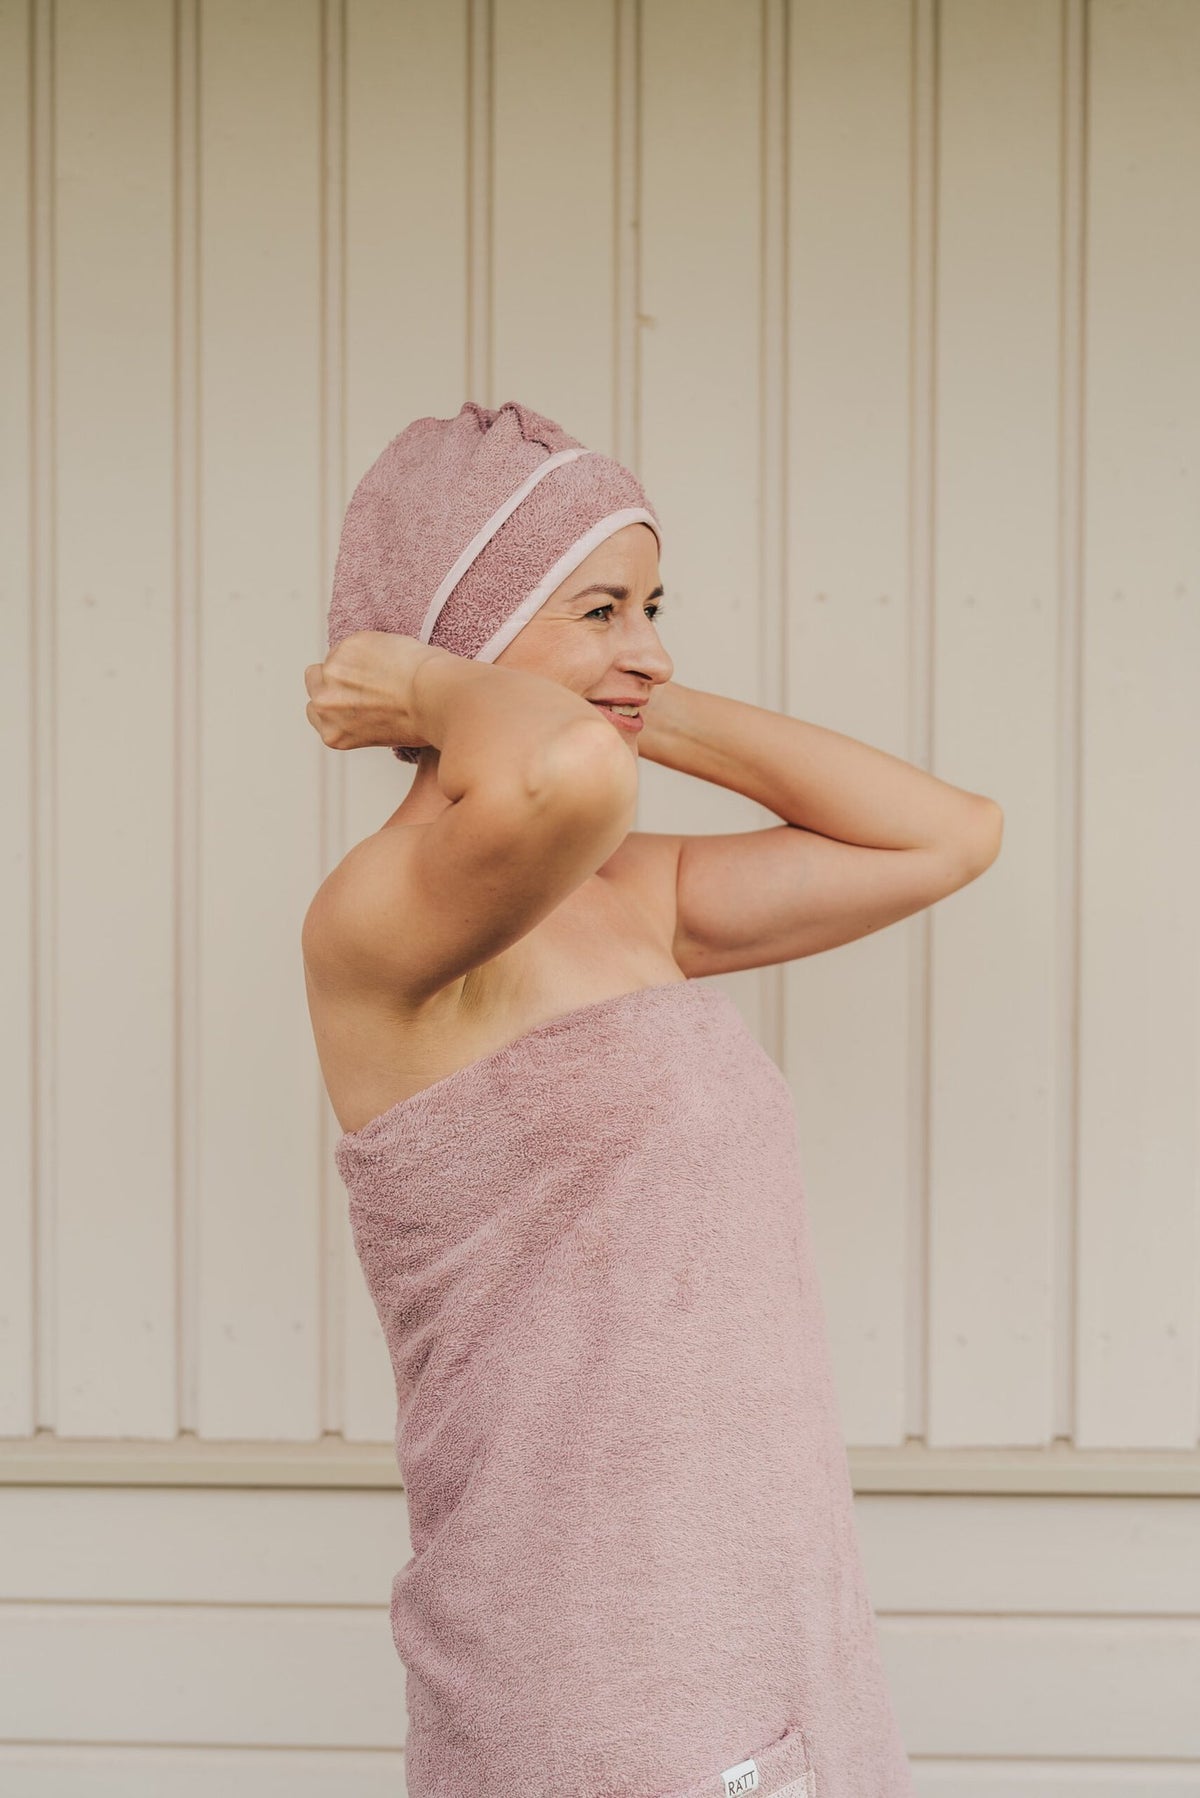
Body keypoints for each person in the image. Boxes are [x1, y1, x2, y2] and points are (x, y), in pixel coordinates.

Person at [301, 400, 1001, 1797]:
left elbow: (947, 835)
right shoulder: (380, 919)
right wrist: (448, 684)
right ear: (463, 636)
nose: (655, 645)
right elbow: (563, 773)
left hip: (766, 1632)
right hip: (593, 1666)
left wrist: (623, 694)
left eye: (654, 607)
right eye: (604, 608)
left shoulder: (634, 895)